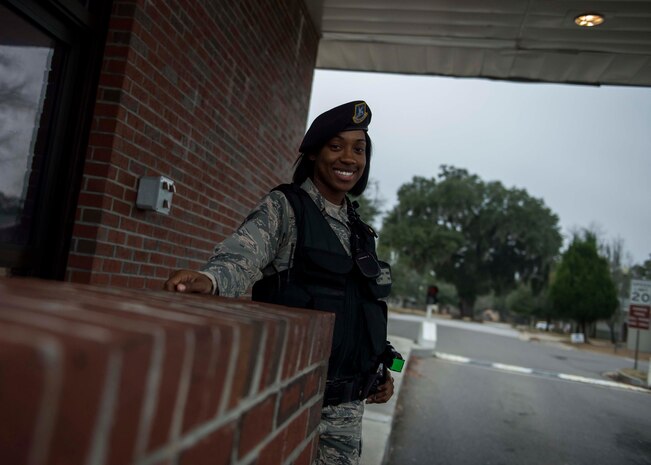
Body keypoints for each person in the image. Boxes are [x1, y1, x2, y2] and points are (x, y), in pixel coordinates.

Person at [165, 100, 394, 464]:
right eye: (336, 146)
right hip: (290, 397)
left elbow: (360, 307)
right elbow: (242, 257)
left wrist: (381, 368)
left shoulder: (360, 230)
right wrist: (210, 279)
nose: (349, 158)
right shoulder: (286, 207)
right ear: (314, 152)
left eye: (359, 148)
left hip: (347, 411)